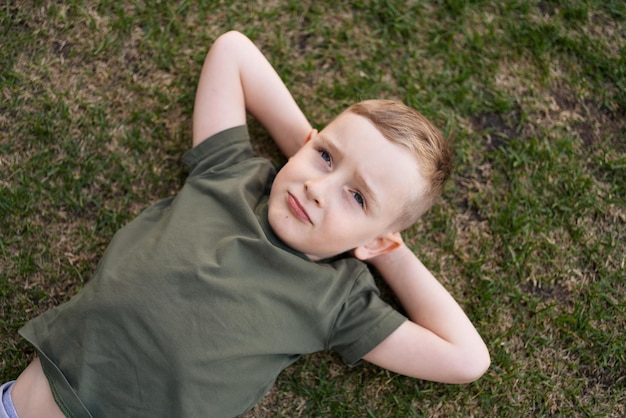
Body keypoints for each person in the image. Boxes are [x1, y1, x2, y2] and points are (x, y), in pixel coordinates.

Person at [4, 31, 489, 418]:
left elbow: (467, 359)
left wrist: (388, 250)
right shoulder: (234, 175)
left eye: (357, 196)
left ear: (378, 238)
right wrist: (308, 152)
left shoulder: (339, 301)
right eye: (325, 156)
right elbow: (233, 51)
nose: (318, 189)